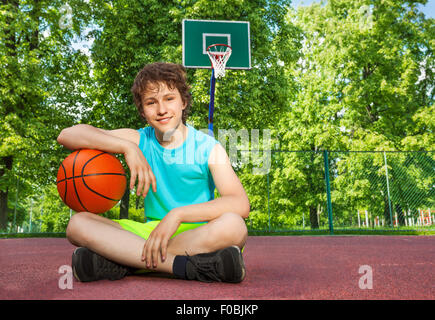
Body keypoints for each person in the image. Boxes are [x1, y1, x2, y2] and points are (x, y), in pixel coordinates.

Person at [57, 62, 250, 283]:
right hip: (149, 233)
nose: (161, 109)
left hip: (196, 232)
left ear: (183, 102)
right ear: (142, 111)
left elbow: (240, 203)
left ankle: (125, 261)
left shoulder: (208, 147)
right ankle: (184, 266)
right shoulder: (140, 140)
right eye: (151, 102)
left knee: (234, 226)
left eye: (169, 98)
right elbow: (67, 135)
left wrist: (177, 215)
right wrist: (126, 148)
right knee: (77, 224)